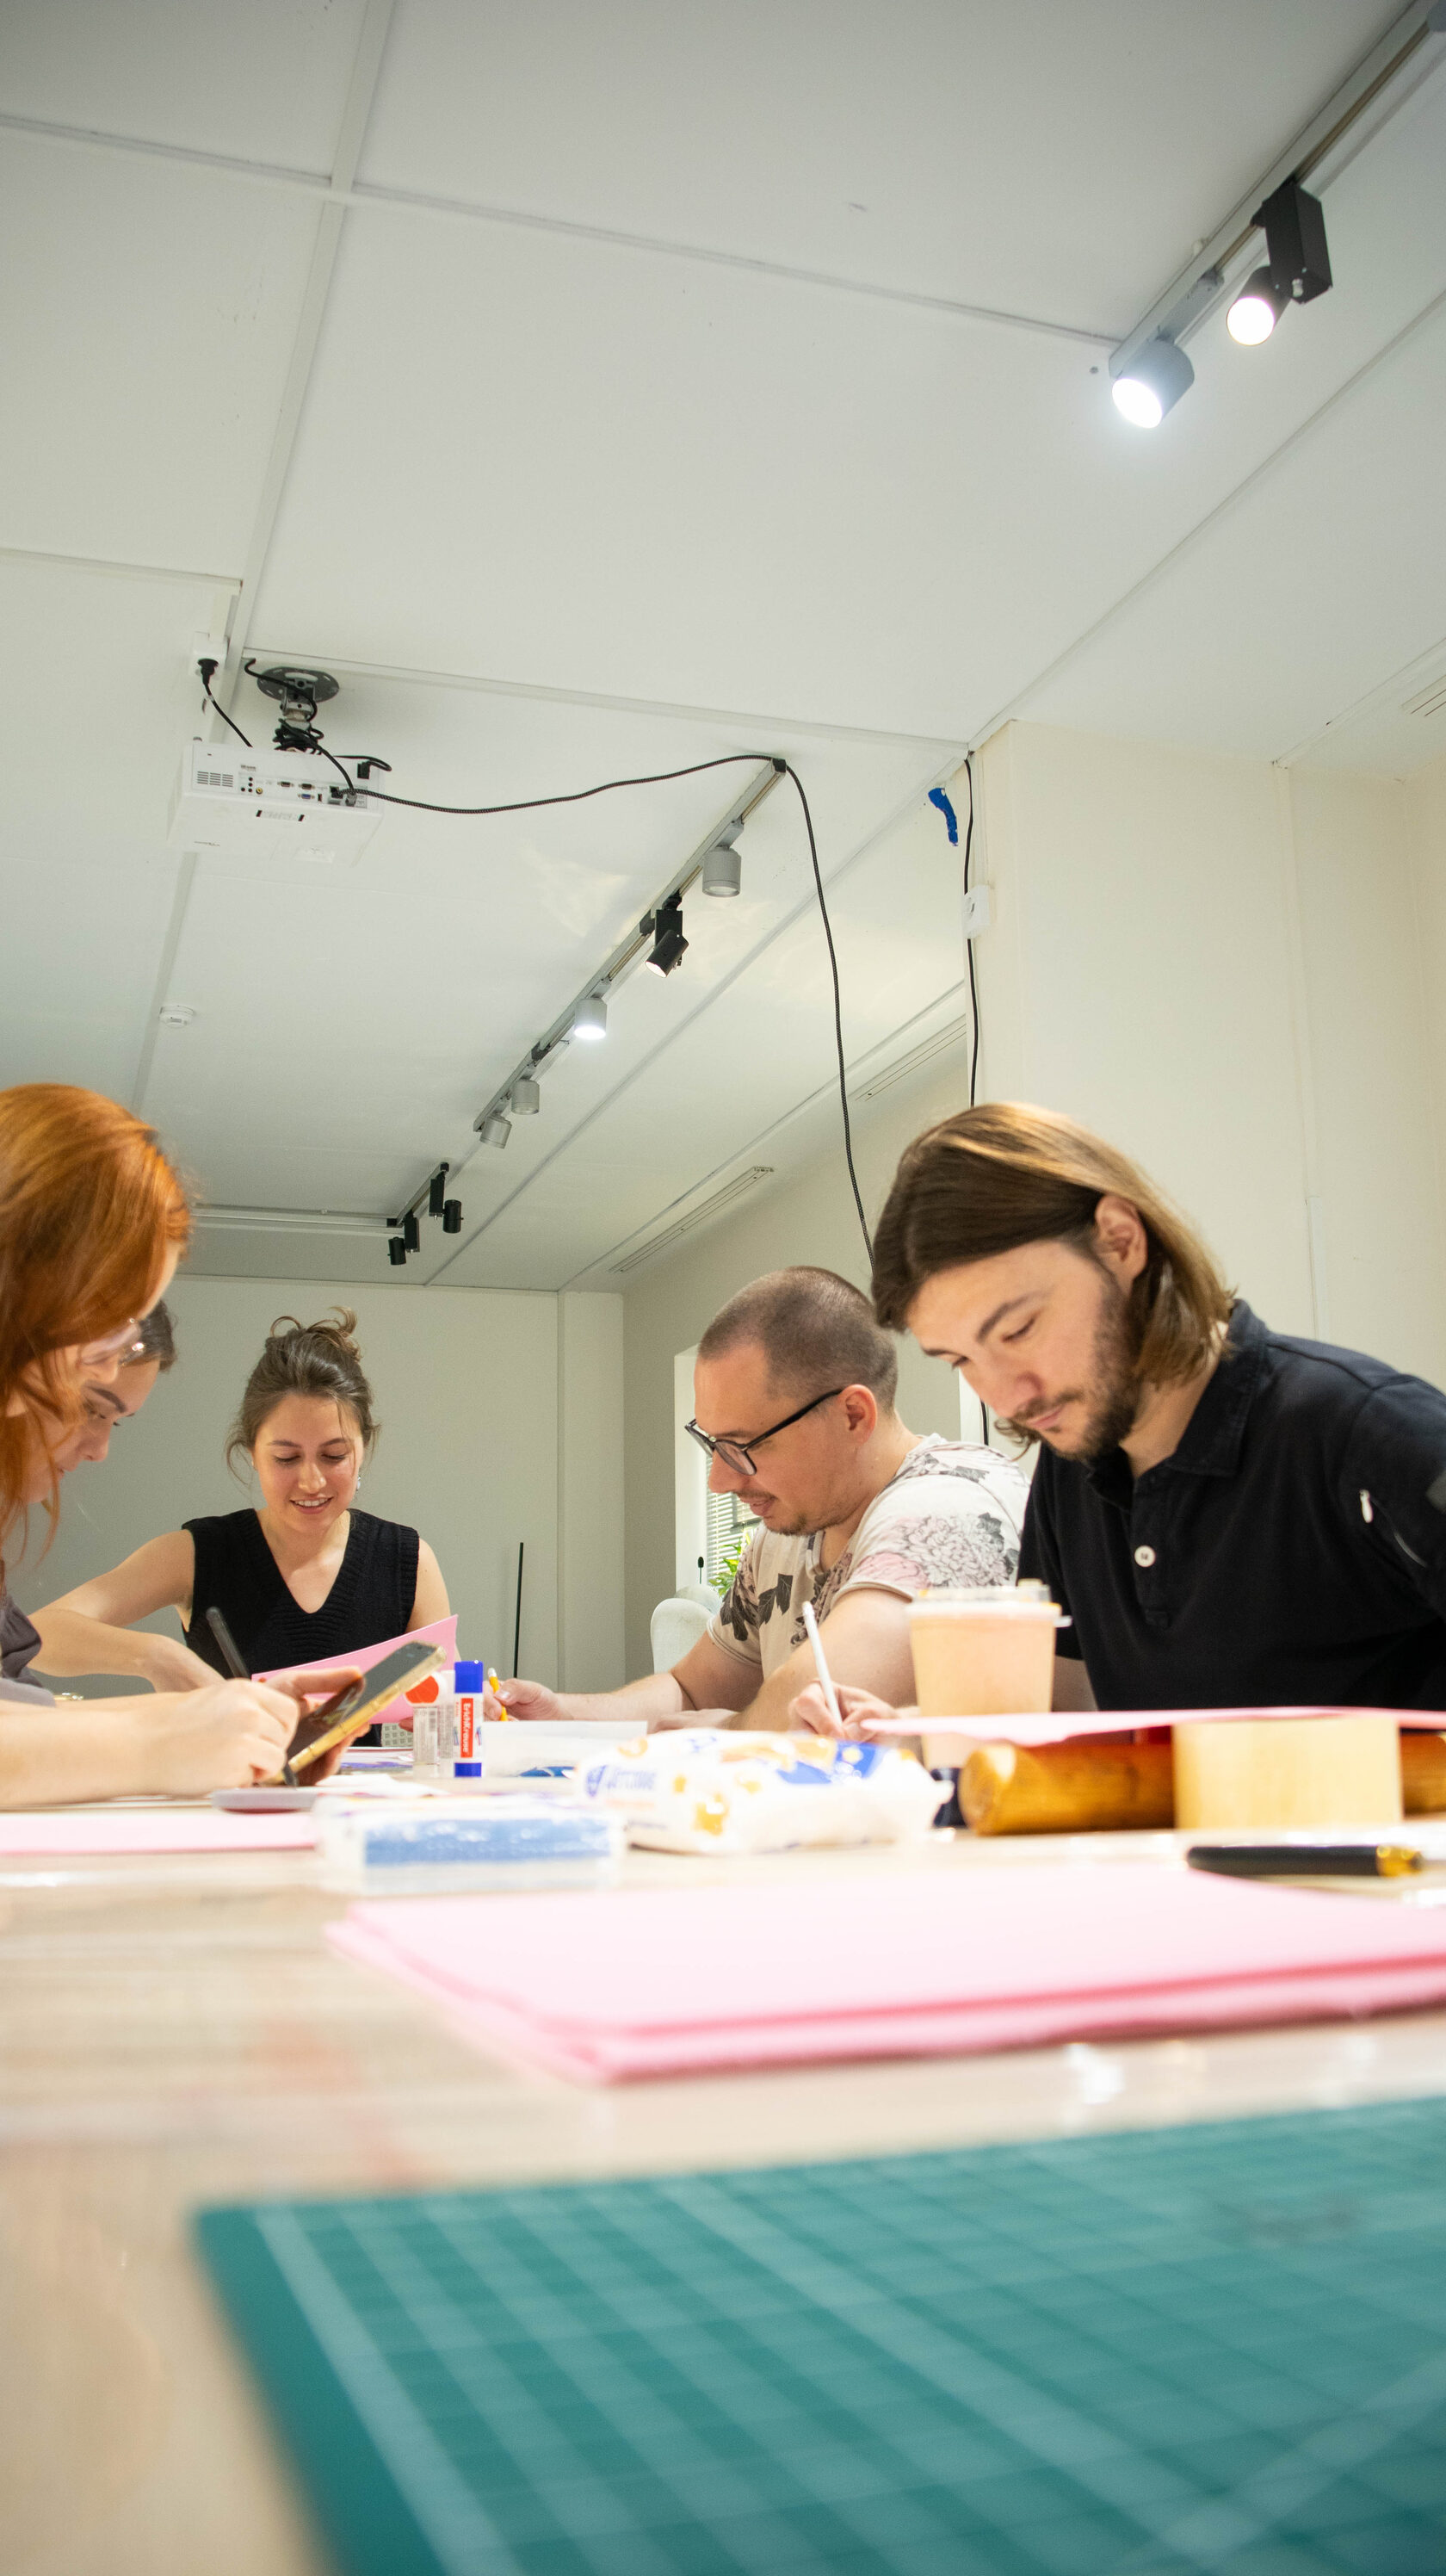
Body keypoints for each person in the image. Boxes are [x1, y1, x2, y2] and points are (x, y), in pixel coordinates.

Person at [799, 1101, 1446, 1733]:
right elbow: (1065, 1717)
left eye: (1019, 1330)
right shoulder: (1071, 1470)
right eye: (960, 1360)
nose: (1005, 1397)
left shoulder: (1369, 1432)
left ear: (1119, 1240)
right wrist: (912, 1729)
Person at [492, 1265, 1029, 1734]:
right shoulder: (787, 1533)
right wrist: (567, 1715)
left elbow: (820, 1696)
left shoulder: (953, 1511)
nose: (719, 1481)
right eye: (712, 1444)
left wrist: (729, 1733)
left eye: (743, 1446)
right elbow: (691, 1692)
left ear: (852, 1416)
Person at [0, 1084, 349, 1803]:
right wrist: (159, 1740)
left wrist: (211, 1722)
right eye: (108, 1332)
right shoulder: (203, 1548)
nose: (112, 1361)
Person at [49, 1312, 449, 1702]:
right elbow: (42, 1633)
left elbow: (447, 1690)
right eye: (286, 1458)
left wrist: (462, 1702)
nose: (311, 1482)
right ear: (252, 1454)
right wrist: (154, 1655)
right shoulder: (198, 1554)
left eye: (334, 1456)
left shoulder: (406, 1560)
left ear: (363, 1449)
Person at [24, 1305, 197, 1687]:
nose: (100, 1451)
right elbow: (39, 1635)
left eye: (114, 1422)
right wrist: (157, 1657)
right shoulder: (205, 1550)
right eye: (90, 1409)